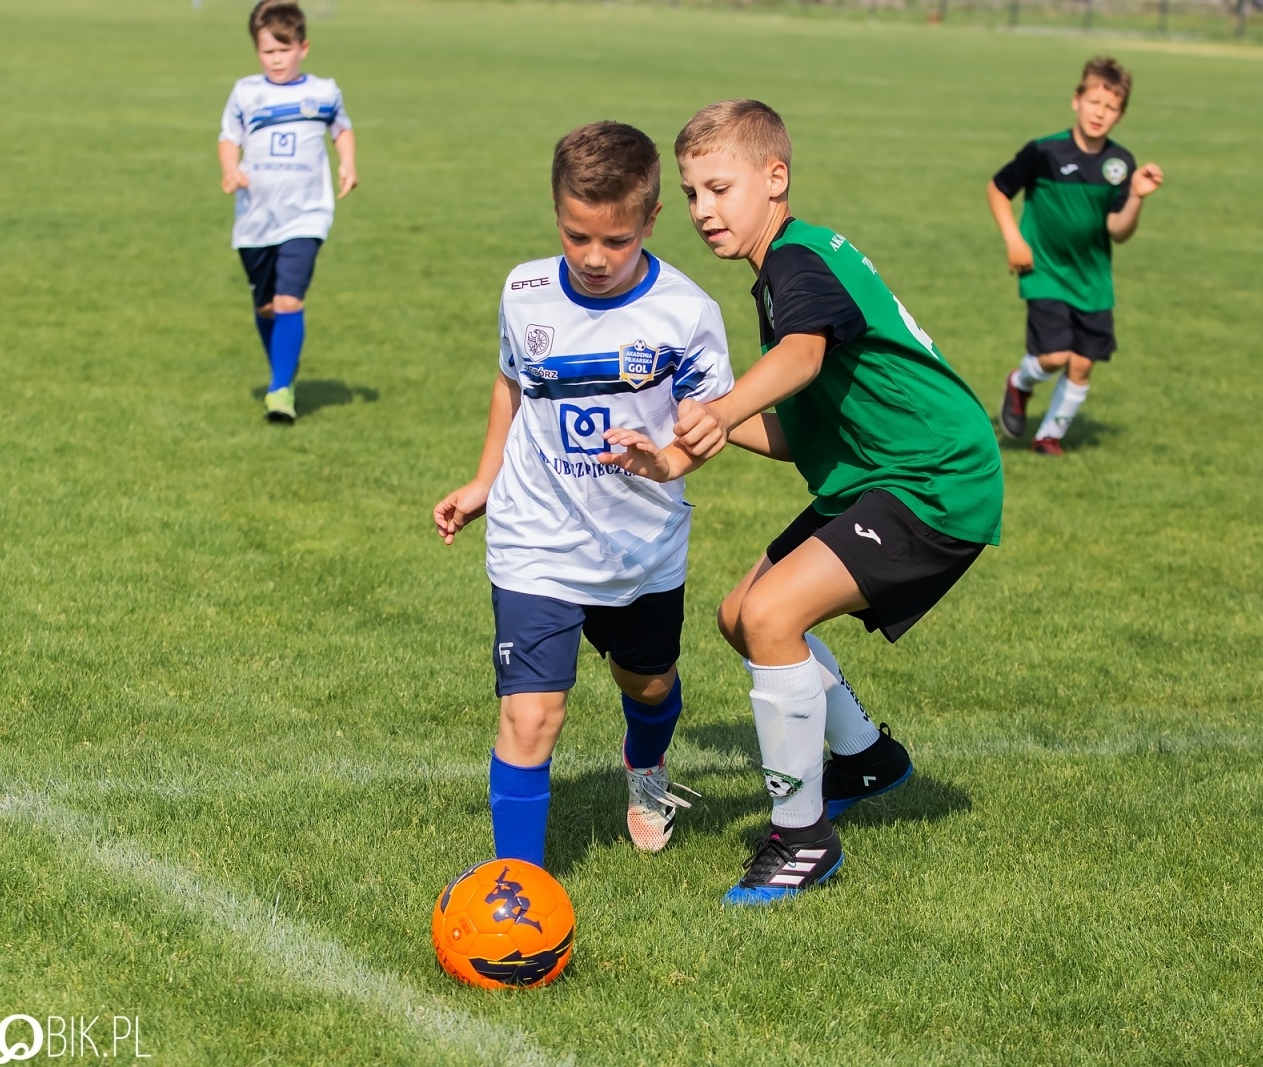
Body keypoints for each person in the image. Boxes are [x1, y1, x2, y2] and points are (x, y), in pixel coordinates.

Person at [601, 100, 1003, 906]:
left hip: (933, 480)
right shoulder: (784, 271)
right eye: (690, 193)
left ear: (775, 178)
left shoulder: (797, 263)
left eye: (719, 187)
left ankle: (802, 839)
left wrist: (717, 408)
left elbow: (803, 356)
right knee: (740, 610)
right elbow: (797, 428)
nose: (703, 210)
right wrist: (681, 441)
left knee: (772, 618)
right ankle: (866, 759)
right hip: (876, 474)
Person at [432, 121, 734, 867]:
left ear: (651, 221)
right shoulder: (524, 290)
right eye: (577, 237)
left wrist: (661, 460)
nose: (595, 258)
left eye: (617, 240)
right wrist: (484, 479)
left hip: (642, 548)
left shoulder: (688, 313)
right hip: (535, 538)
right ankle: (519, 886)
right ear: (557, 213)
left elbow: (710, 428)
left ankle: (647, 767)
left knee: (651, 683)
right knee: (530, 717)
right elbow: (513, 384)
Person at [989, 56, 1163, 455]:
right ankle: (1021, 382)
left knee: (1083, 364)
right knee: (1053, 356)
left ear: (1121, 115)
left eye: (1111, 107)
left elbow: (1118, 231)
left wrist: (1136, 196)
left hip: (1093, 278)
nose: (1100, 113)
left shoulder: (1120, 165)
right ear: (1076, 100)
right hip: (1045, 269)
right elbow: (997, 189)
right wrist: (1014, 240)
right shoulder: (1044, 152)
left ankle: (1049, 435)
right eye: (1094, 102)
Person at [218, 0, 357, 424]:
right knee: (266, 307)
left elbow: (343, 129)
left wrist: (348, 163)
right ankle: (284, 366)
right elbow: (228, 138)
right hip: (256, 219)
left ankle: (280, 390)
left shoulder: (323, 92)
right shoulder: (246, 93)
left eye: (284, 50)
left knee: (288, 299)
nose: (276, 60)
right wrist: (230, 171)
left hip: (306, 215)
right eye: (267, 52)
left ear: (303, 46)